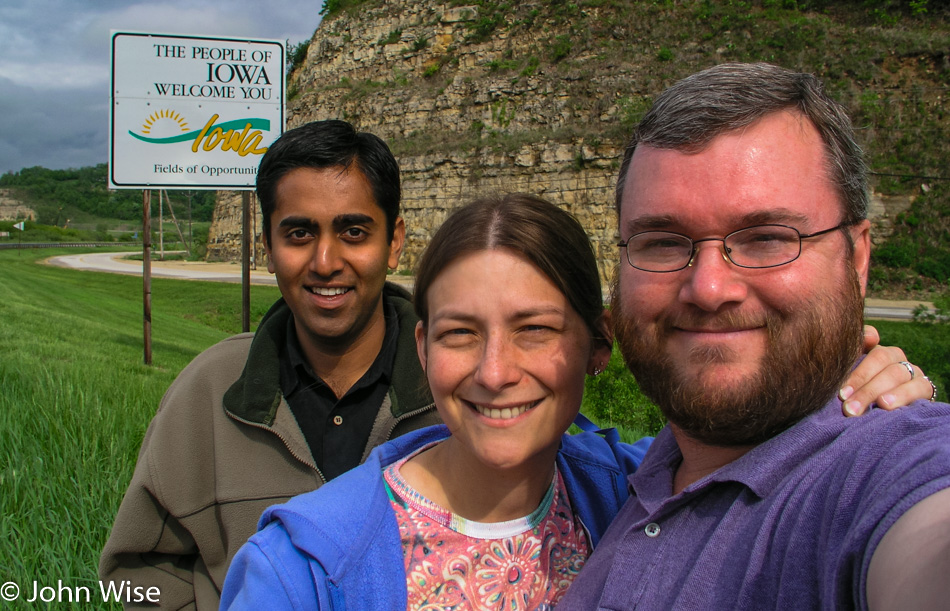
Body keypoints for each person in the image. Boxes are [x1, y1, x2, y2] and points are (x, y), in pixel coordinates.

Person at [219, 194, 934, 611]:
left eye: (535, 330)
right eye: (462, 333)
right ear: (423, 347)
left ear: (598, 347)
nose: (496, 372)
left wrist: (866, 390)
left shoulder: (645, 490)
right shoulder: (299, 568)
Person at [558, 62, 949, 610]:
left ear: (856, 257)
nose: (710, 287)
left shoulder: (891, 468)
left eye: (767, 237)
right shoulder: (627, 481)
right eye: (663, 242)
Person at [99, 120, 440, 609]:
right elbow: (135, 573)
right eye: (300, 233)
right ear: (267, 246)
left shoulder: (455, 390)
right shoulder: (209, 389)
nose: (325, 261)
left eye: (354, 231)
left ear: (394, 242)